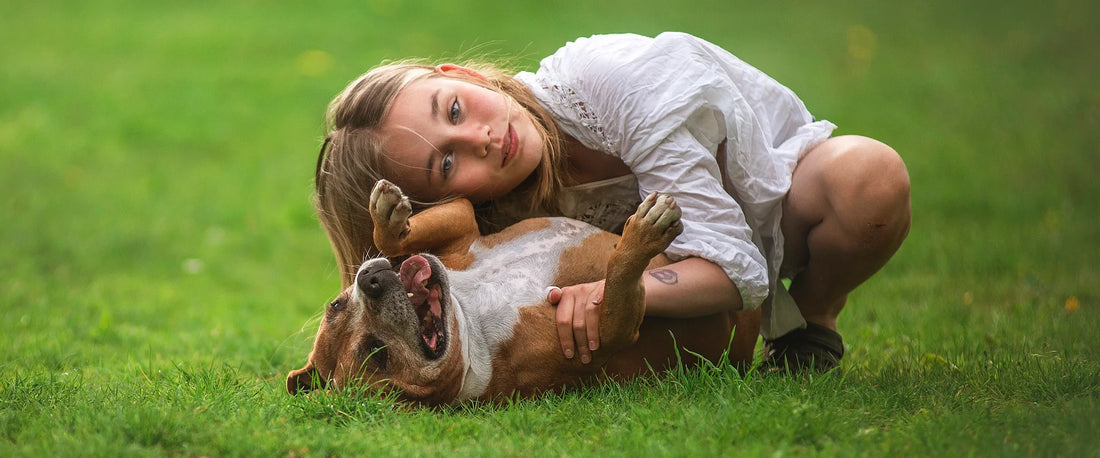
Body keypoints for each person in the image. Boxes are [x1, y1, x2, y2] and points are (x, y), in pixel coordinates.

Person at [313, 32, 911, 372]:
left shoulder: (611, 84)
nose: (481, 138)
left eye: (454, 109)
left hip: (780, 208)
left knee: (869, 179)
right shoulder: (494, 210)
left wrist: (611, 291)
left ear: (464, 76)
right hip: (687, 269)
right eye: (447, 164)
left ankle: (813, 314)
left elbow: (739, 269)